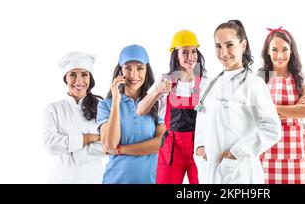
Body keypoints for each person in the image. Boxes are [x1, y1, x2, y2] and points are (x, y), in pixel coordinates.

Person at [194, 20, 281, 184]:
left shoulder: (254, 84)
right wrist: (199, 147)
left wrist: (236, 153)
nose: (223, 52)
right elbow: (202, 117)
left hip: (239, 171)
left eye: (229, 45)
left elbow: (272, 129)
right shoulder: (210, 84)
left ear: (243, 45)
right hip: (210, 170)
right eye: (218, 46)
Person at [137, 30, 208, 184]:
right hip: (171, 150)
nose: (190, 57)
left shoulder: (205, 83)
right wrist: (158, 90)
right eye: (184, 52)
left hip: (199, 148)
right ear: (176, 55)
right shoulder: (165, 80)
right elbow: (140, 110)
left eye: (193, 51)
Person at [97, 44, 166, 184]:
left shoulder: (158, 102)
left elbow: (162, 143)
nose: (133, 75)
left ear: (147, 70)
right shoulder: (106, 105)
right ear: (120, 71)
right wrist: (116, 100)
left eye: (140, 68)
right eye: (128, 68)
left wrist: (121, 150)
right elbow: (110, 144)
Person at [258, 27, 305, 184]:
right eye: (274, 49)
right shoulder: (261, 77)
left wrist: (270, 109)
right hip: (267, 148)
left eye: (284, 50)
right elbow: (256, 112)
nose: (280, 55)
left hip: (294, 148)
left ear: (291, 51)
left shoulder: (300, 77)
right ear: (267, 51)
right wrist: (293, 110)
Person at [43, 52, 105, 183]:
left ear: (90, 78)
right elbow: (51, 145)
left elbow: (109, 146)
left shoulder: (101, 108)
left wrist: (71, 149)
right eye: (73, 74)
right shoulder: (53, 109)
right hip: (61, 179)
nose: (79, 81)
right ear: (65, 78)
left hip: (93, 179)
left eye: (84, 74)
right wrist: (88, 138)